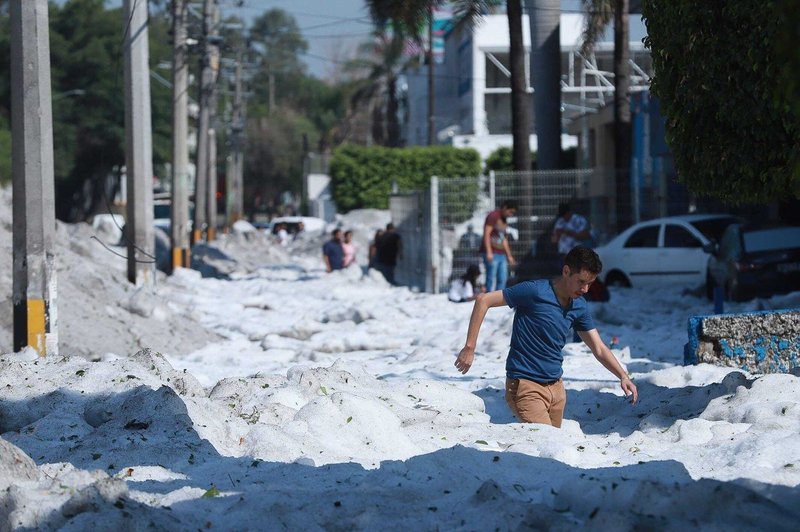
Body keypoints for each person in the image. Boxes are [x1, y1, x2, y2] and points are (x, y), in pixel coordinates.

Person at [454, 246, 638, 427]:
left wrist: (622, 375)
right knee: (544, 443)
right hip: (526, 386)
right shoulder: (534, 291)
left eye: (590, 283)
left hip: (557, 390)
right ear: (566, 271)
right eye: (581, 282)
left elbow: (598, 348)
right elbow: (483, 300)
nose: (585, 289)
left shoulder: (579, 306)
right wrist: (470, 347)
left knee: (549, 452)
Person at [481, 200, 517, 292]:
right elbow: (487, 233)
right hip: (492, 253)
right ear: (505, 208)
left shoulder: (504, 220)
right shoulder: (494, 216)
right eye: (511, 212)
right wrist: (489, 252)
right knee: (491, 278)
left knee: (503, 278)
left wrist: (509, 255)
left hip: (501, 254)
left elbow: (504, 239)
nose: (511, 215)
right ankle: (488, 298)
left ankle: (498, 299)